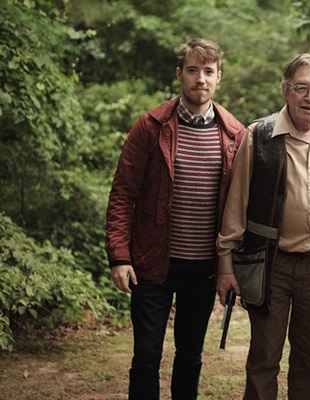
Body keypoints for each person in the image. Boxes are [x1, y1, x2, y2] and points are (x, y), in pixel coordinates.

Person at [105, 38, 245, 400]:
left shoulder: (234, 135)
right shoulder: (150, 127)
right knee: (147, 354)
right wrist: (119, 256)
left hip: (203, 268)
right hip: (152, 263)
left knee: (190, 355)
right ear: (180, 74)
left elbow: (241, 207)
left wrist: (232, 267)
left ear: (219, 78)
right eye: (193, 70)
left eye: (209, 71)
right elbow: (123, 194)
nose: (201, 78)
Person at [216, 53, 310, 400]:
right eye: (301, 88)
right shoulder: (259, 135)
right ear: (285, 90)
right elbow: (236, 206)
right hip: (270, 264)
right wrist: (225, 268)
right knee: (264, 357)